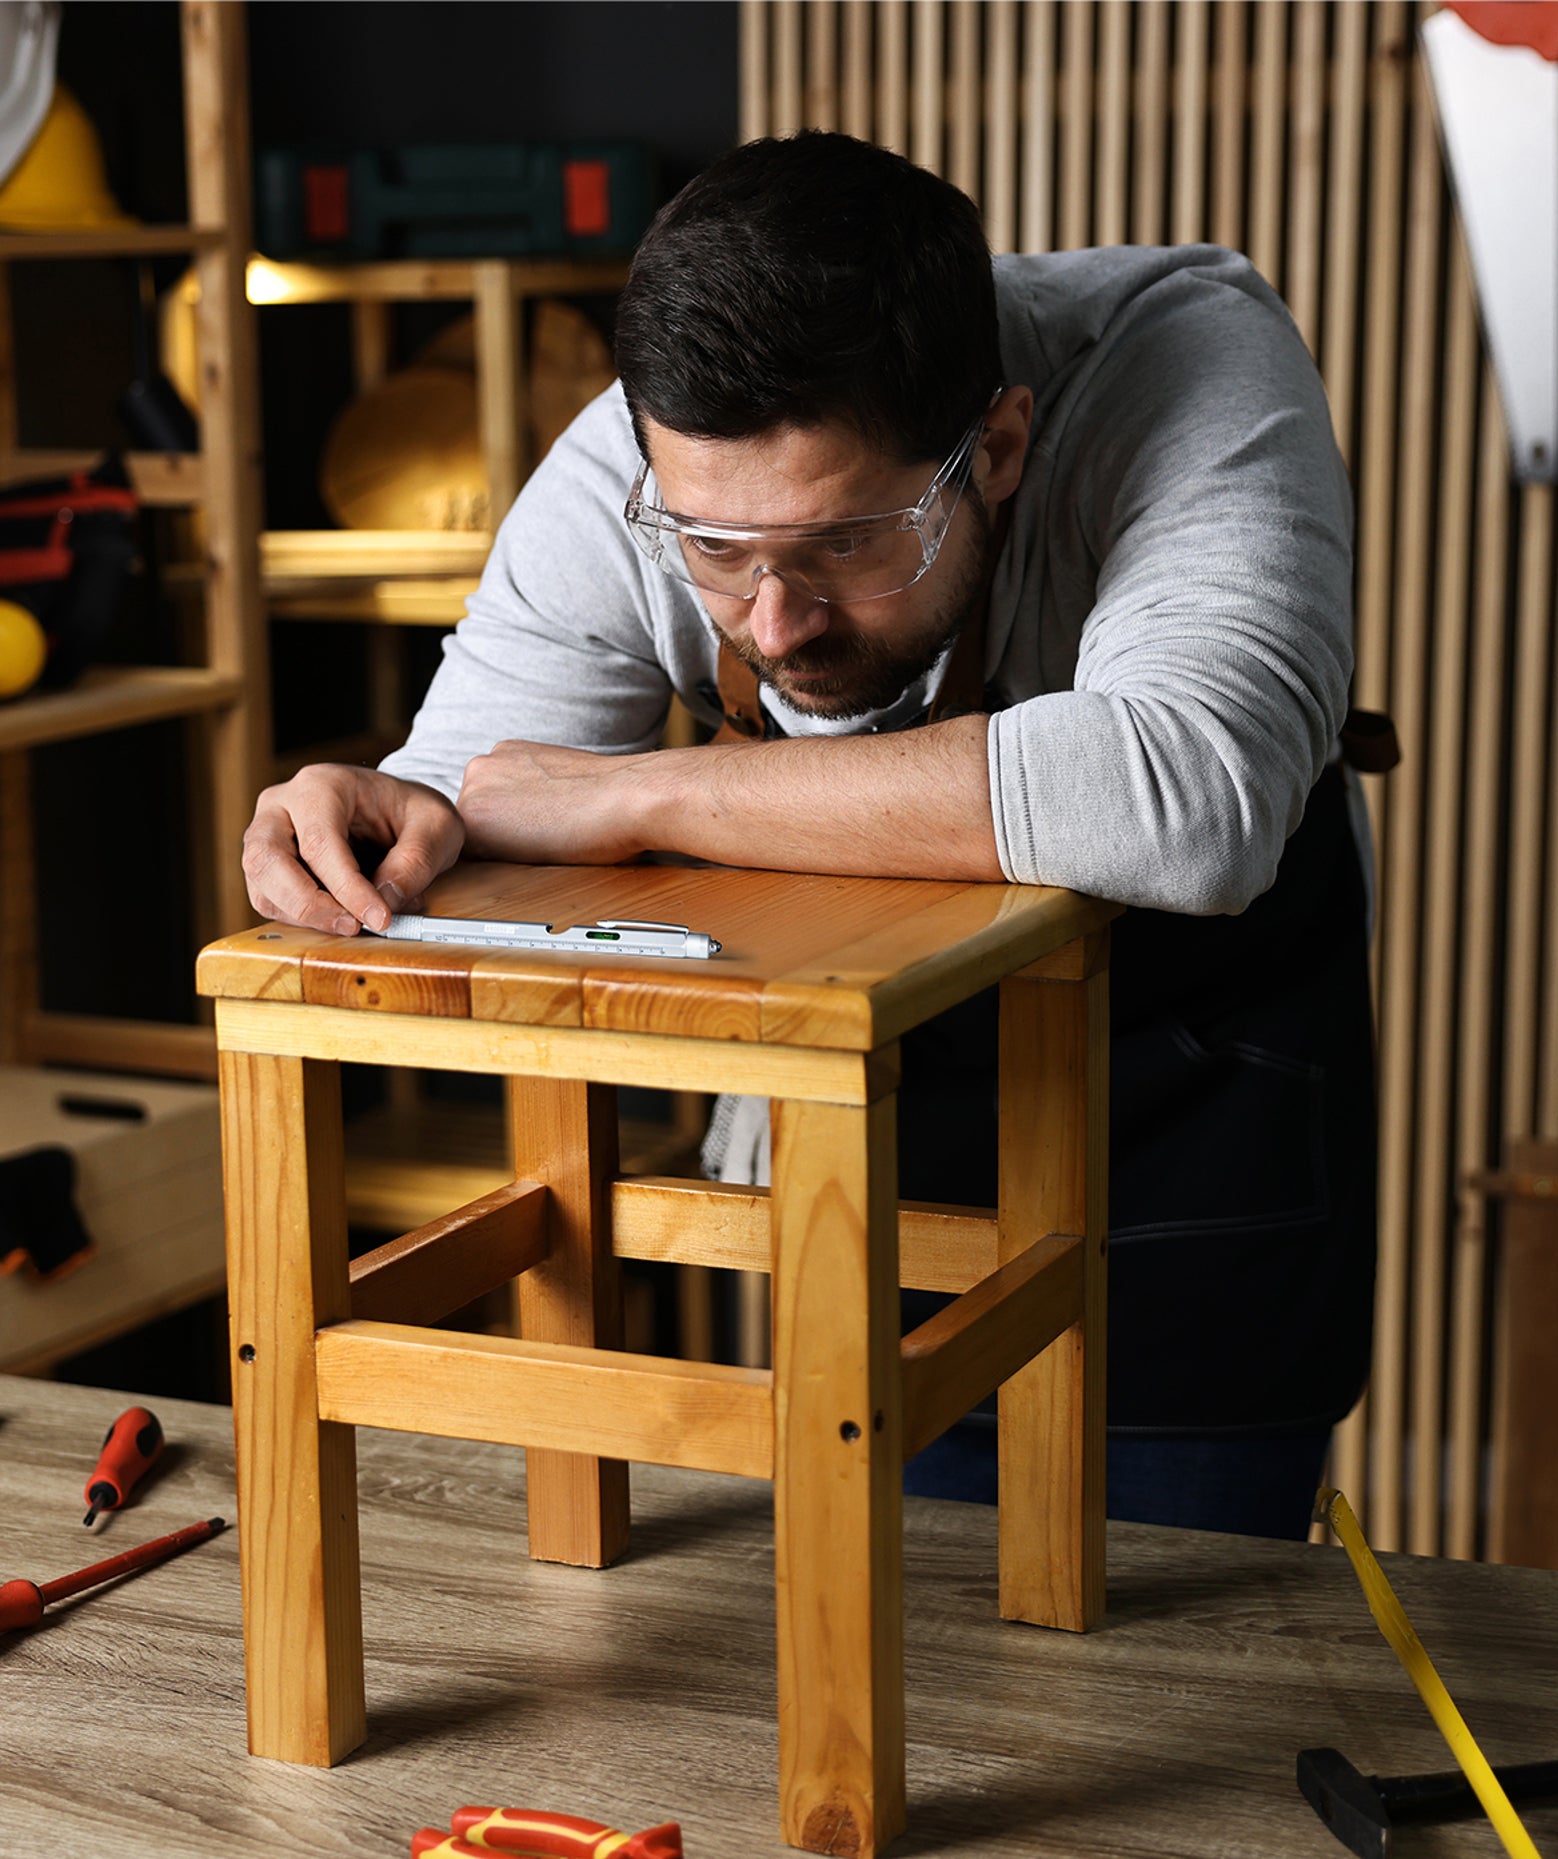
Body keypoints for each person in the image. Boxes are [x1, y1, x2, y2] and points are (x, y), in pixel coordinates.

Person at [242, 132, 1376, 1540]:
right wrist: (382, 807)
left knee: (1170, 1674)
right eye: (716, 554)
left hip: (1189, 1126)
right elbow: (481, 787)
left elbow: (1191, 795)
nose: (773, 626)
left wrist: (645, 792)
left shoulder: (1183, 361)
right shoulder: (648, 456)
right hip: (866, 1161)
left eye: (847, 545)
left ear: (1001, 447)